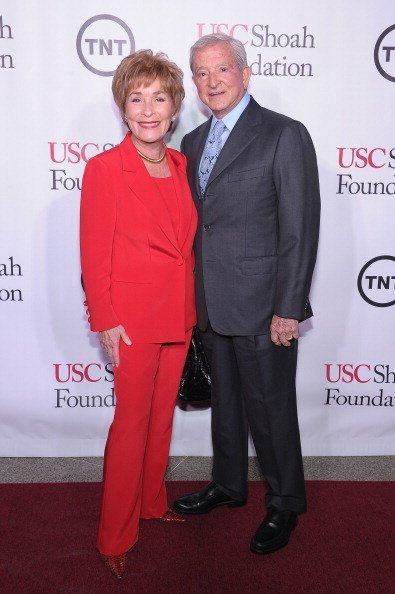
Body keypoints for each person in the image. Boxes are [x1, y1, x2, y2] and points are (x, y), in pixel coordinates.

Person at [173, 33, 320, 555]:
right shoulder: (191, 144)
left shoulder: (284, 134)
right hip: (212, 302)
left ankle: (285, 502)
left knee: (271, 407)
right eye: (201, 73)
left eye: (222, 70)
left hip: (264, 307)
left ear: (244, 73)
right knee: (227, 405)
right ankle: (229, 484)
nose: (212, 82)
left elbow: (300, 229)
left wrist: (288, 307)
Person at [80, 50, 197, 578]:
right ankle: (113, 537)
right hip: (130, 321)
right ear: (123, 109)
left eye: (159, 98)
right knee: (130, 425)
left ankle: (151, 502)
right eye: (137, 98)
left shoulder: (179, 165)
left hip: (178, 314)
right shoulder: (105, 169)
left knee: (162, 418)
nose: (148, 109)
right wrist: (104, 318)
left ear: (174, 109)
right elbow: (93, 251)